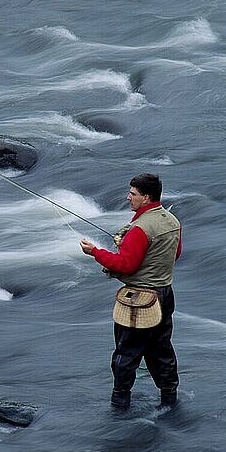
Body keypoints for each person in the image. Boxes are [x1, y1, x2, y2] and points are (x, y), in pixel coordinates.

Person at [80, 173, 182, 410]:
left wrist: (95, 252)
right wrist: (127, 247)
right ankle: (169, 400)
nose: (128, 198)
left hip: (141, 301)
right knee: (161, 350)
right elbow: (173, 255)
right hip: (165, 294)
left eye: (133, 194)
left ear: (146, 197)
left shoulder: (140, 228)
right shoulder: (172, 221)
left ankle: (119, 406)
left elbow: (126, 265)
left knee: (127, 354)